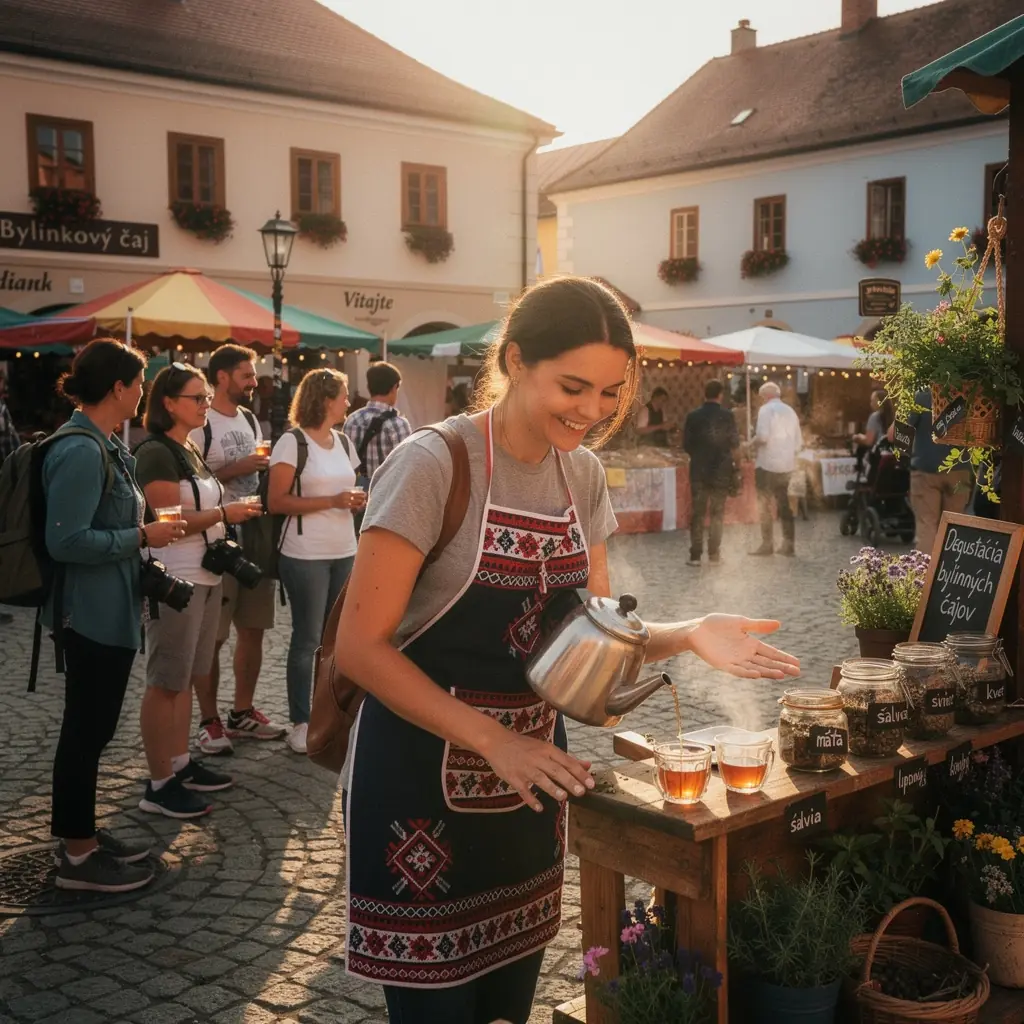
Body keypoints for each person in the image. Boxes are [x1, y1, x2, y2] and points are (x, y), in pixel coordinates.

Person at [335, 276, 800, 1023]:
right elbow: (358, 648)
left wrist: (686, 635)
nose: (593, 411)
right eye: (573, 387)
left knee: (507, 1011)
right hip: (420, 794)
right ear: (516, 360)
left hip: (532, 787)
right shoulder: (435, 464)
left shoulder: (580, 475)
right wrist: (495, 742)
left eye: (611, 392)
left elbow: (595, 630)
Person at [42, 339, 186, 891]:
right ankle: (78, 857)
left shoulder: (103, 443)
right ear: (118, 388)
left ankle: (85, 837)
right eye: (140, 380)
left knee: (95, 730)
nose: (144, 390)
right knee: (85, 732)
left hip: (110, 609)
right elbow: (66, 540)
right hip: (90, 614)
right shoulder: (79, 449)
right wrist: (140, 535)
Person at [134, 363, 262, 817]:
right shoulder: (155, 452)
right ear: (169, 403)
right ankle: (159, 781)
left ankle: (181, 762)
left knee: (186, 676)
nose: (207, 404)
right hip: (174, 578)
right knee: (165, 680)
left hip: (205, 576)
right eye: (198, 398)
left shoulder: (188, 448)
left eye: (208, 397)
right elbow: (166, 524)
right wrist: (228, 515)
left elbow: (199, 508)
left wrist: (226, 512)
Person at [189, 344, 286, 754]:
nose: (253, 382)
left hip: (254, 536)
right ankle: (209, 720)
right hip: (215, 540)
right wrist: (239, 469)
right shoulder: (200, 421)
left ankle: (241, 712)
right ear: (223, 377)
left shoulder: (249, 418)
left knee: (254, 628)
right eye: (246, 375)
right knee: (212, 635)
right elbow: (191, 481)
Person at [268, 369, 366, 755]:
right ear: (325, 400)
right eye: (343, 395)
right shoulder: (292, 443)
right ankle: (301, 721)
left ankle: (332, 716)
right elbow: (277, 502)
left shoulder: (342, 441)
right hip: (305, 554)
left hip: (345, 548)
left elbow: (349, 488)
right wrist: (333, 501)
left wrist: (356, 502)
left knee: (337, 641)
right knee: (307, 639)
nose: (348, 401)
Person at [906, 388, 970, 553]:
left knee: (927, 525)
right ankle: (952, 574)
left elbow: (897, 433)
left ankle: (925, 575)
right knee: (955, 525)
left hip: (926, 471)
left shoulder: (922, 395)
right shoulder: (970, 394)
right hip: (960, 473)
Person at [683, 379, 739, 566]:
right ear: (720, 395)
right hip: (721, 472)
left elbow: (686, 445)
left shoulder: (693, 416)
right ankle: (714, 554)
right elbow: (734, 444)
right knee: (717, 514)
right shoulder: (728, 416)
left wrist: (699, 455)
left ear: (704, 394)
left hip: (699, 471)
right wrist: (735, 467)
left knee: (698, 514)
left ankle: (695, 556)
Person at [750, 381, 802, 557]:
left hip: (767, 465)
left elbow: (763, 437)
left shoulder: (765, 410)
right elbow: (798, 444)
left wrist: (751, 444)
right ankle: (789, 544)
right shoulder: (791, 412)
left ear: (765, 396)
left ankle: (767, 544)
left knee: (764, 505)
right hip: (786, 466)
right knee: (784, 505)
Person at [342, 360, 412, 487]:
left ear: (369, 387)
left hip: (357, 495)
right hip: (387, 495)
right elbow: (406, 468)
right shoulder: (398, 424)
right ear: (394, 388)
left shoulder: (352, 420)